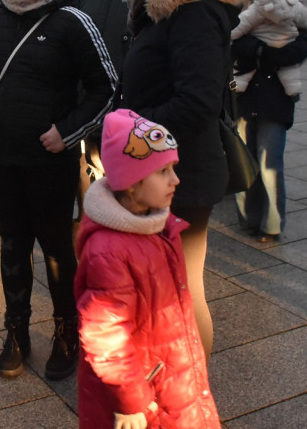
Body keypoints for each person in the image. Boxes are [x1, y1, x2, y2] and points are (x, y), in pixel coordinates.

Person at [0, 0, 116, 380]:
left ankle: (68, 330)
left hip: (49, 161)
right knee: (12, 245)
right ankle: (17, 331)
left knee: (55, 249)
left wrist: (67, 132)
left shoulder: (72, 19)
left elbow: (106, 87)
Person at [119, 0, 248, 359]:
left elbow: (197, 101)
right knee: (167, 288)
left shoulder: (191, 7)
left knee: (183, 290)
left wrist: (130, 131)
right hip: (161, 169)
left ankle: (191, 394)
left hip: (182, 175)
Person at [76, 109, 220, 429]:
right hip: (144, 392)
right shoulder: (108, 251)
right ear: (131, 184)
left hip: (169, 373)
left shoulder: (159, 225)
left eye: (173, 168)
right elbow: (105, 335)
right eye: (163, 171)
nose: (176, 179)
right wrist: (131, 402)